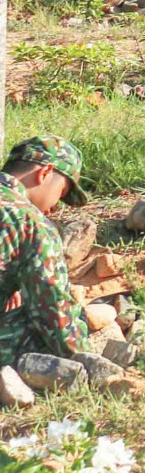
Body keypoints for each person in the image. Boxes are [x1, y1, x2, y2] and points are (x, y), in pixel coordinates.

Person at [0, 137, 88, 362]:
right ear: (45, 173)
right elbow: (55, 313)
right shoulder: (31, 223)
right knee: (42, 327)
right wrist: (87, 360)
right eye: (61, 192)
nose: (55, 208)